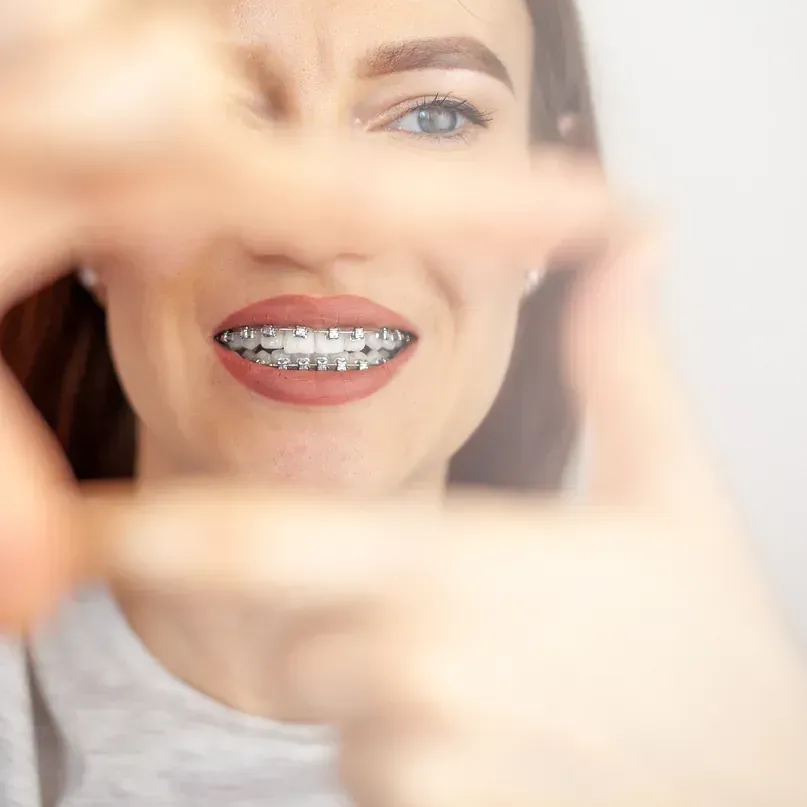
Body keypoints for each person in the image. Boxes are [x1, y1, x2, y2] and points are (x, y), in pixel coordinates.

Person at [0, 1, 806, 805]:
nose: (310, 233)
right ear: (89, 219)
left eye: (434, 117)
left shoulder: (720, 748)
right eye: (201, 120)